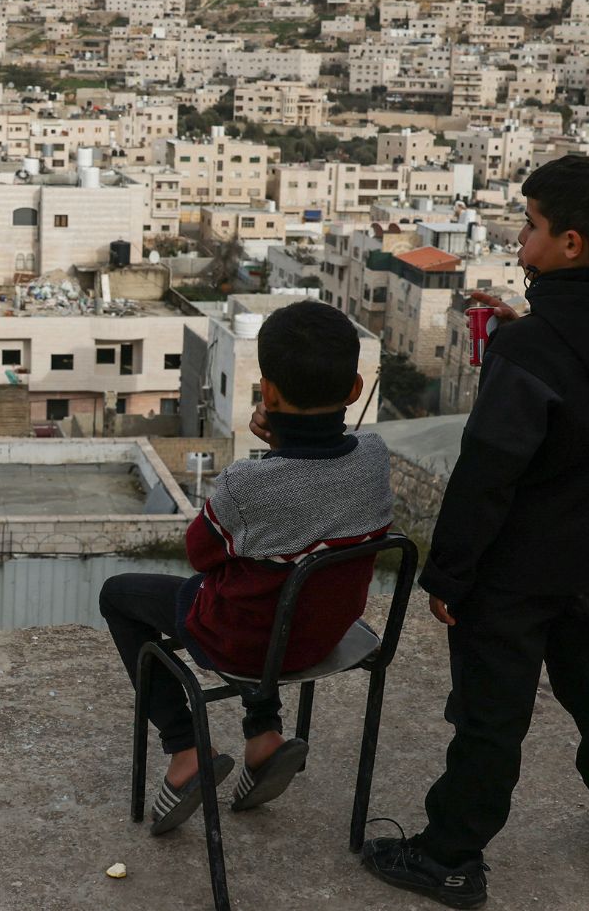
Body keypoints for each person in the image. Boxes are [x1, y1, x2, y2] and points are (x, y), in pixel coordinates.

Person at [360, 155, 589, 908]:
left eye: (530, 225)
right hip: (588, 555)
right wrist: (522, 335)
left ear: (570, 243)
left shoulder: (534, 351)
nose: (518, 237)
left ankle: (448, 856)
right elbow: (585, 396)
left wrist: (450, 574)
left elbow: (488, 471)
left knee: (490, 718)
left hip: (511, 568)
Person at [99, 300, 394, 835]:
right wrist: (286, 442)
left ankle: (186, 746)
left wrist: (275, 453)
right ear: (354, 389)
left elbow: (200, 554)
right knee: (270, 590)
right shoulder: (374, 459)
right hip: (328, 634)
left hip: (247, 645)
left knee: (120, 595)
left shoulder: (246, 485)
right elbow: (315, 483)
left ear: (268, 392)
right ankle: (263, 739)